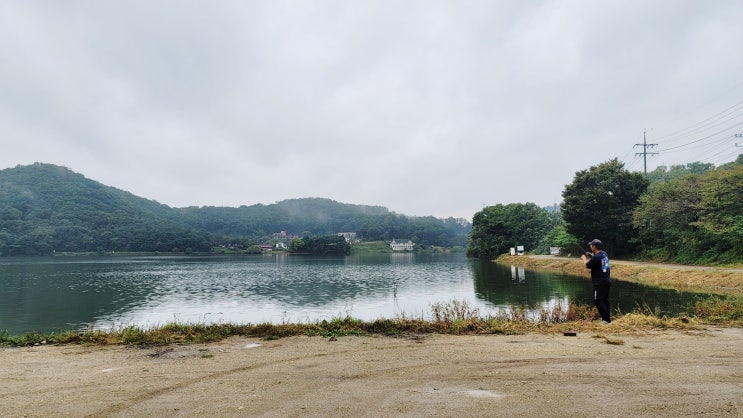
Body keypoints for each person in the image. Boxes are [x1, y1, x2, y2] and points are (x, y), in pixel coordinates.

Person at [580, 238, 611, 324]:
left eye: (591, 245)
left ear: (594, 247)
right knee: (605, 300)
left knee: (598, 300)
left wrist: (584, 258)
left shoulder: (596, 257)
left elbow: (587, 265)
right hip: (607, 281)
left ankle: (605, 320)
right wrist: (590, 255)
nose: (590, 246)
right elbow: (597, 258)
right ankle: (607, 320)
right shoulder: (604, 254)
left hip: (600, 283)